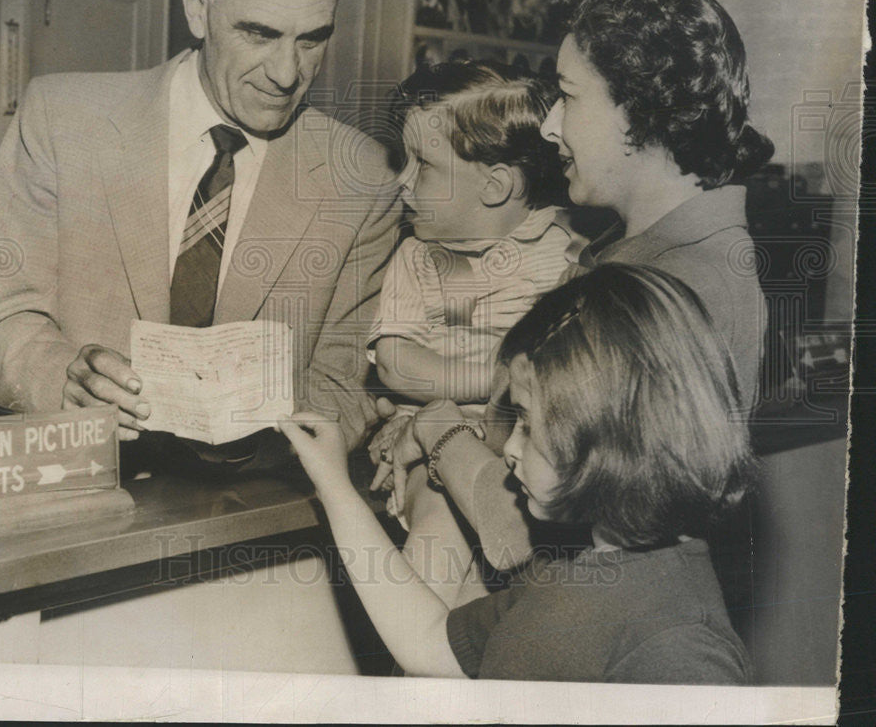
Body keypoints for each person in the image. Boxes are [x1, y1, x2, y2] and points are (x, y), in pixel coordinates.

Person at [379, 0, 774, 587]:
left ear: (638, 110)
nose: (552, 127)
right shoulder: (659, 252)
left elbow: (530, 536)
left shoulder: (674, 286)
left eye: (569, 97)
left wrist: (436, 428)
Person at [0, 0, 401, 468]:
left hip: (255, 524)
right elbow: (1, 320)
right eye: (259, 33)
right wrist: (61, 381)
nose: (285, 72)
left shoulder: (364, 180)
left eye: (312, 39)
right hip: (76, 495)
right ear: (197, 7)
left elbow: (349, 387)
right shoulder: (62, 121)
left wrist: (264, 424)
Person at [282, 264, 754, 683]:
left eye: (527, 424)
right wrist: (333, 483)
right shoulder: (573, 568)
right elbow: (427, 642)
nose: (509, 448)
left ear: (605, 435)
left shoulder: (682, 647)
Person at [365, 61, 575, 525]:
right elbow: (396, 364)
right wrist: (495, 380)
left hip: (531, 442)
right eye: (404, 160)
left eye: (423, 165)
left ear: (496, 186)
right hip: (427, 434)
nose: (403, 180)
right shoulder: (416, 256)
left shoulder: (564, 249)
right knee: (436, 516)